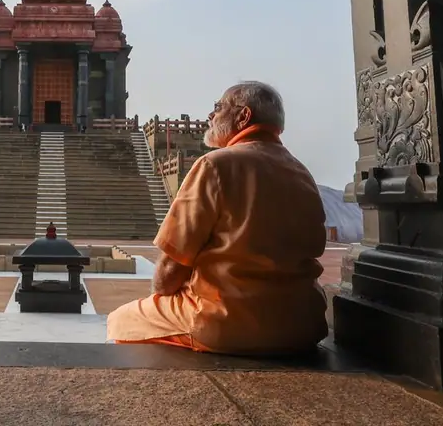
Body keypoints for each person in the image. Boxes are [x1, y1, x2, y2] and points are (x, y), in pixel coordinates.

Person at [106, 81, 329, 355]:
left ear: (243, 116)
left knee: (120, 321)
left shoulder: (215, 164)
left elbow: (167, 276)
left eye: (218, 107)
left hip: (225, 322)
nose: (211, 116)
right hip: (302, 324)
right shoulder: (301, 171)